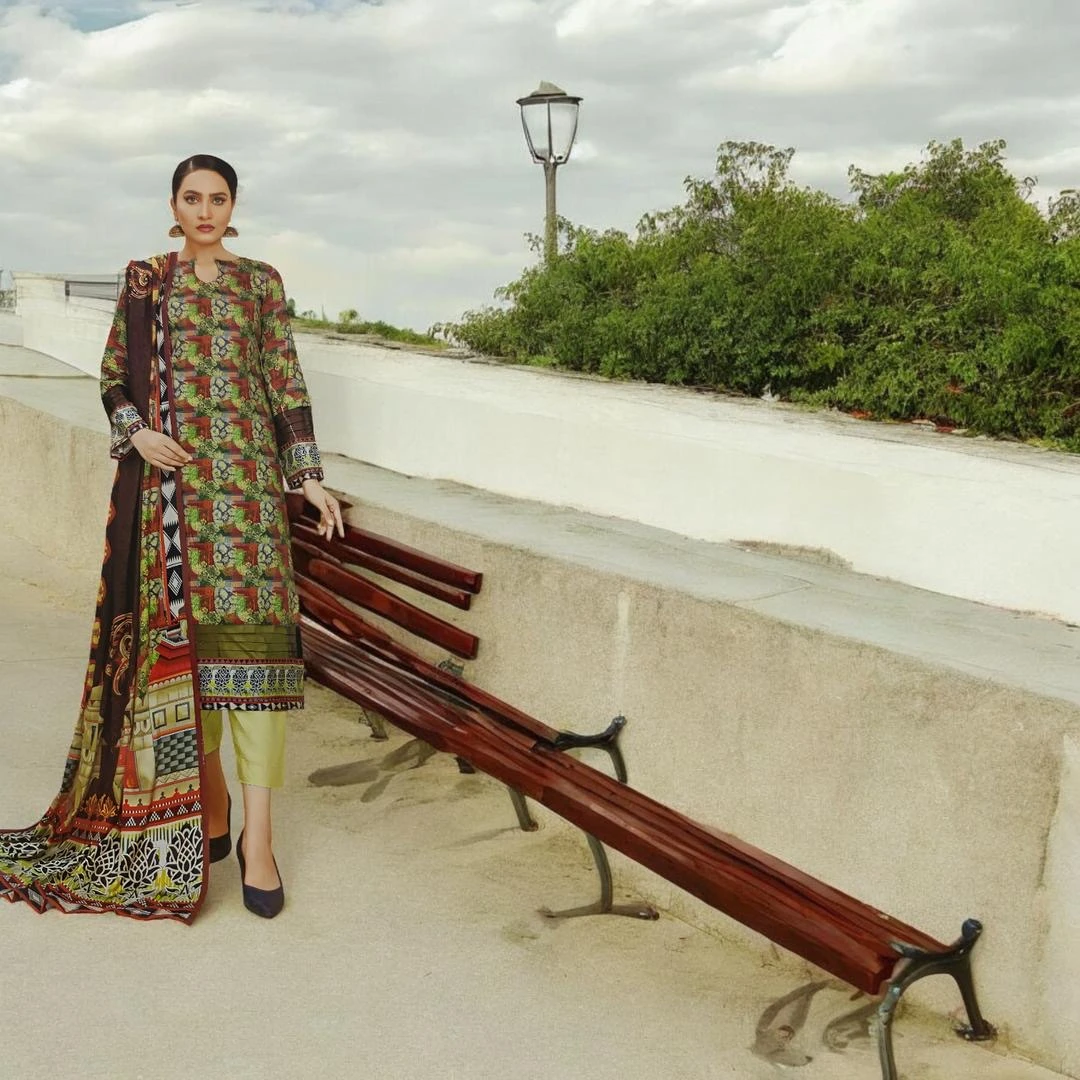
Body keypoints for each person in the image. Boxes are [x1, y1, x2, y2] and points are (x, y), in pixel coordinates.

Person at [0, 154, 342, 921]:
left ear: (233, 206)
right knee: (193, 669)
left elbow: (283, 380)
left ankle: (258, 840)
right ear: (174, 205)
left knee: (258, 670)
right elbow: (112, 374)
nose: (206, 210)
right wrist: (137, 432)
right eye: (193, 197)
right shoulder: (146, 281)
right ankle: (212, 808)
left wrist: (308, 475)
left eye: (218, 198)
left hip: (248, 508)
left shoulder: (261, 284)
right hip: (174, 511)